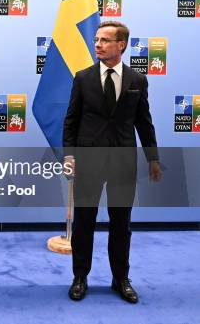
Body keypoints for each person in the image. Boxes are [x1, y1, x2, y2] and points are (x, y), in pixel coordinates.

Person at [63, 20, 162, 303]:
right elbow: (71, 121)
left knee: (121, 223)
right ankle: (80, 276)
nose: (98, 44)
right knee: (84, 222)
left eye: (105, 40)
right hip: (88, 162)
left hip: (123, 162)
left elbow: (144, 123)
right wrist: (69, 155)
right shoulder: (82, 78)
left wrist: (153, 158)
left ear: (121, 45)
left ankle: (120, 278)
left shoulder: (137, 81)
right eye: (96, 39)